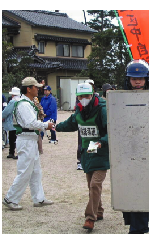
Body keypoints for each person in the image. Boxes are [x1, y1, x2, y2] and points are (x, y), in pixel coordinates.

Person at [55, 82, 109, 231]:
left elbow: (112, 131)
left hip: (101, 150)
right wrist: (55, 127)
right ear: (77, 97)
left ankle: (90, 218)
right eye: (81, 96)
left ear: (92, 95)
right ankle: (99, 211)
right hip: (87, 150)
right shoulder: (79, 110)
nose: (84, 99)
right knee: (91, 185)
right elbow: (71, 124)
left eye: (87, 96)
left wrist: (102, 142)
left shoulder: (102, 109)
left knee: (94, 185)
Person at [2, 77, 54, 211]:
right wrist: (45, 125)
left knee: (36, 170)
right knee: (25, 171)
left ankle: (39, 198)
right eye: (35, 87)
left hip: (30, 139)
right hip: (26, 139)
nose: (38, 89)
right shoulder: (24, 104)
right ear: (29, 88)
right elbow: (30, 123)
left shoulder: (28, 102)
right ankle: (11, 198)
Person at [121, 59, 149, 234]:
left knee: (141, 187)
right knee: (128, 188)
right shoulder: (120, 98)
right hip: (126, 150)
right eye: (133, 78)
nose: (137, 82)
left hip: (145, 150)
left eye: (140, 78)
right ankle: (134, 224)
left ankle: (139, 228)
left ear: (147, 79)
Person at [2, 87, 21, 159]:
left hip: (13, 122)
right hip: (19, 123)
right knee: (18, 138)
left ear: (13, 95)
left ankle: (11, 152)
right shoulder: (21, 100)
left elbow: (6, 111)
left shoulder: (12, 102)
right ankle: (17, 152)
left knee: (12, 138)